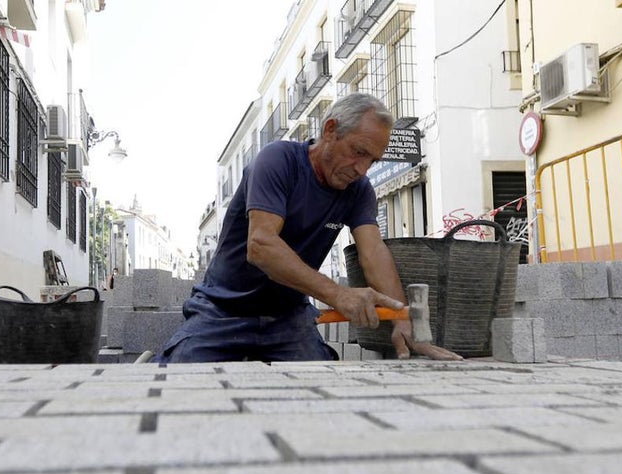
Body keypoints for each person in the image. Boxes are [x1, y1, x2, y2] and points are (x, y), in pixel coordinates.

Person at [158, 93, 460, 363]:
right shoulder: (277, 161)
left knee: (321, 382)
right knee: (179, 377)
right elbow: (261, 246)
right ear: (330, 130)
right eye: (358, 151)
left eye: (372, 160)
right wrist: (339, 295)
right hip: (223, 309)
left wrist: (402, 319)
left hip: (287, 317)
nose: (362, 169)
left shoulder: (358, 190)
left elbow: (373, 252)